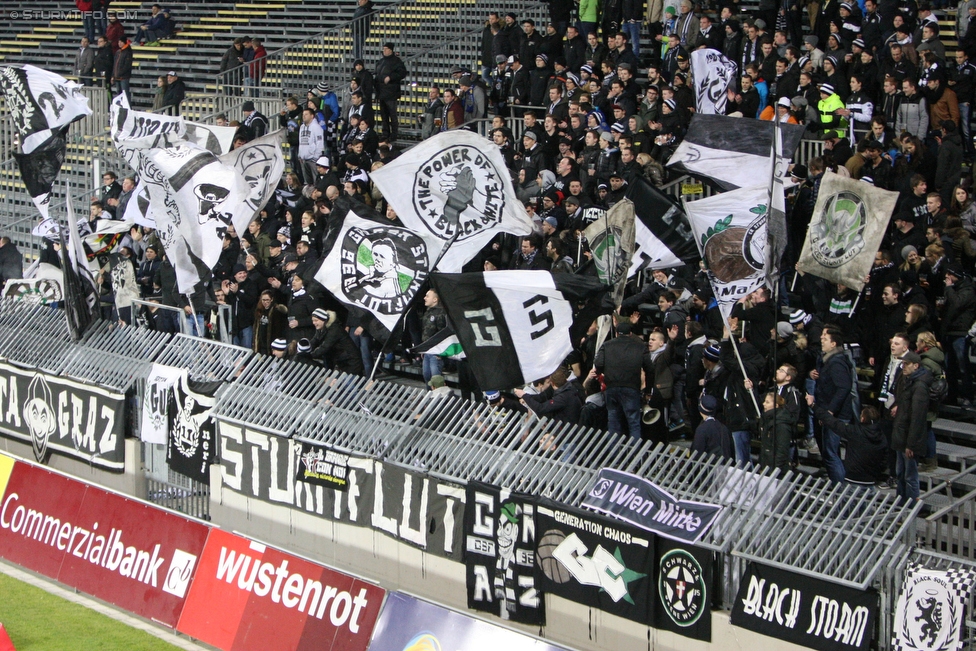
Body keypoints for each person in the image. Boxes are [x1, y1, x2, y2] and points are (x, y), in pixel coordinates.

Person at [808, 325, 855, 483]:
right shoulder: (826, 360)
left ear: (834, 344)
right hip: (827, 411)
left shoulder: (836, 362)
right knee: (828, 452)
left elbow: (844, 387)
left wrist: (830, 411)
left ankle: (840, 488)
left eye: (825, 338)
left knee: (831, 453)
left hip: (836, 415)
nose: (821, 339)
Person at [594, 320, 654, 440]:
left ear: (616, 333)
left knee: (613, 422)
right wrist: (647, 390)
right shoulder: (641, 346)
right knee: (634, 423)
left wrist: (606, 372)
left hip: (611, 388)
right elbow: (650, 369)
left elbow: (598, 363)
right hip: (632, 388)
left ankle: (613, 455)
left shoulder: (607, 345)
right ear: (630, 333)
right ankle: (634, 456)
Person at [892, 352, 932, 502]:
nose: (904, 367)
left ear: (916, 366)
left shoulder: (920, 386)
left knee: (910, 476)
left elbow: (917, 418)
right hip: (901, 435)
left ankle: (911, 510)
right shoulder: (906, 381)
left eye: (907, 364)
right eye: (903, 364)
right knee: (900, 473)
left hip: (909, 440)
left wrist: (911, 444)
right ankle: (900, 504)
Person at [309, 308, 365, 375]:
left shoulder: (335, 330)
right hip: (342, 361)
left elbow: (325, 347)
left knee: (350, 384)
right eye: (313, 320)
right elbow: (314, 341)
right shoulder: (321, 329)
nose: (314, 323)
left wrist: (309, 356)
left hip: (351, 362)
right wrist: (304, 350)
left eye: (316, 320)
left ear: (323, 320)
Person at [374, 43, 407, 142]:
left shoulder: (396, 61)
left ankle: (394, 134)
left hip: (391, 93)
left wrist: (391, 77)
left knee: (392, 115)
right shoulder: (380, 62)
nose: (384, 51)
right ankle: (385, 133)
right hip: (381, 92)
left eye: (386, 49)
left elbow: (402, 73)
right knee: (384, 115)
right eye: (383, 49)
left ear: (391, 50)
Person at [758, 393, 793, 474]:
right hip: (766, 466)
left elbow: (782, 450)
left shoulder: (782, 424)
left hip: (776, 471)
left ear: (776, 405)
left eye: (767, 402)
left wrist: (774, 471)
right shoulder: (766, 420)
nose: (764, 404)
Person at [691, 394, 733, 459]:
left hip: (708, 466)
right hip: (724, 466)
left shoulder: (702, 429)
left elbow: (696, 453)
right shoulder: (723, 427)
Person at [421, 289, 447, 385]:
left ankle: (439, 398)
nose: (424, 298)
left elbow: (443, 333)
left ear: (435, 299)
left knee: (435, 378)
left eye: (427, 296)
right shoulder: (427, 312)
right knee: (427, 376)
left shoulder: (441, 313)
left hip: (436, 351)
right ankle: (430, 397)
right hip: (427, 350)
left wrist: (440, 352)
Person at [112, 38, 133, 102]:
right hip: (117, 76)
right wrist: (113, 75)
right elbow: (115, 64)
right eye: (119, 42)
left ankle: (127, 108)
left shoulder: (128, 52)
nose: (119, 44)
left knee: (125, 94)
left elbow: (127, 65)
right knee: (119, 93)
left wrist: (119, 73)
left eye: (121, 42)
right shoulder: (118, 52)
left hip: (124, 77)